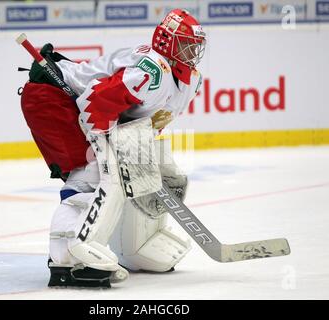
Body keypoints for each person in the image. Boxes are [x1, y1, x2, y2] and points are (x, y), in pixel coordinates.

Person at [20, 9, 206, 288]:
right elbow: (94, 104)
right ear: (167, 41)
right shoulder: (153, 70)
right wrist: (107, 153)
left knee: (128, 171)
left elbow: (142, 121)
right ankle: (68, 262)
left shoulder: (188, 81)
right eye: (185, 45)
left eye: (195, 47)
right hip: (52, 97)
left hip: (78, 105)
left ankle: (138, 247)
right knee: (89, 178)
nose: (191, 53)